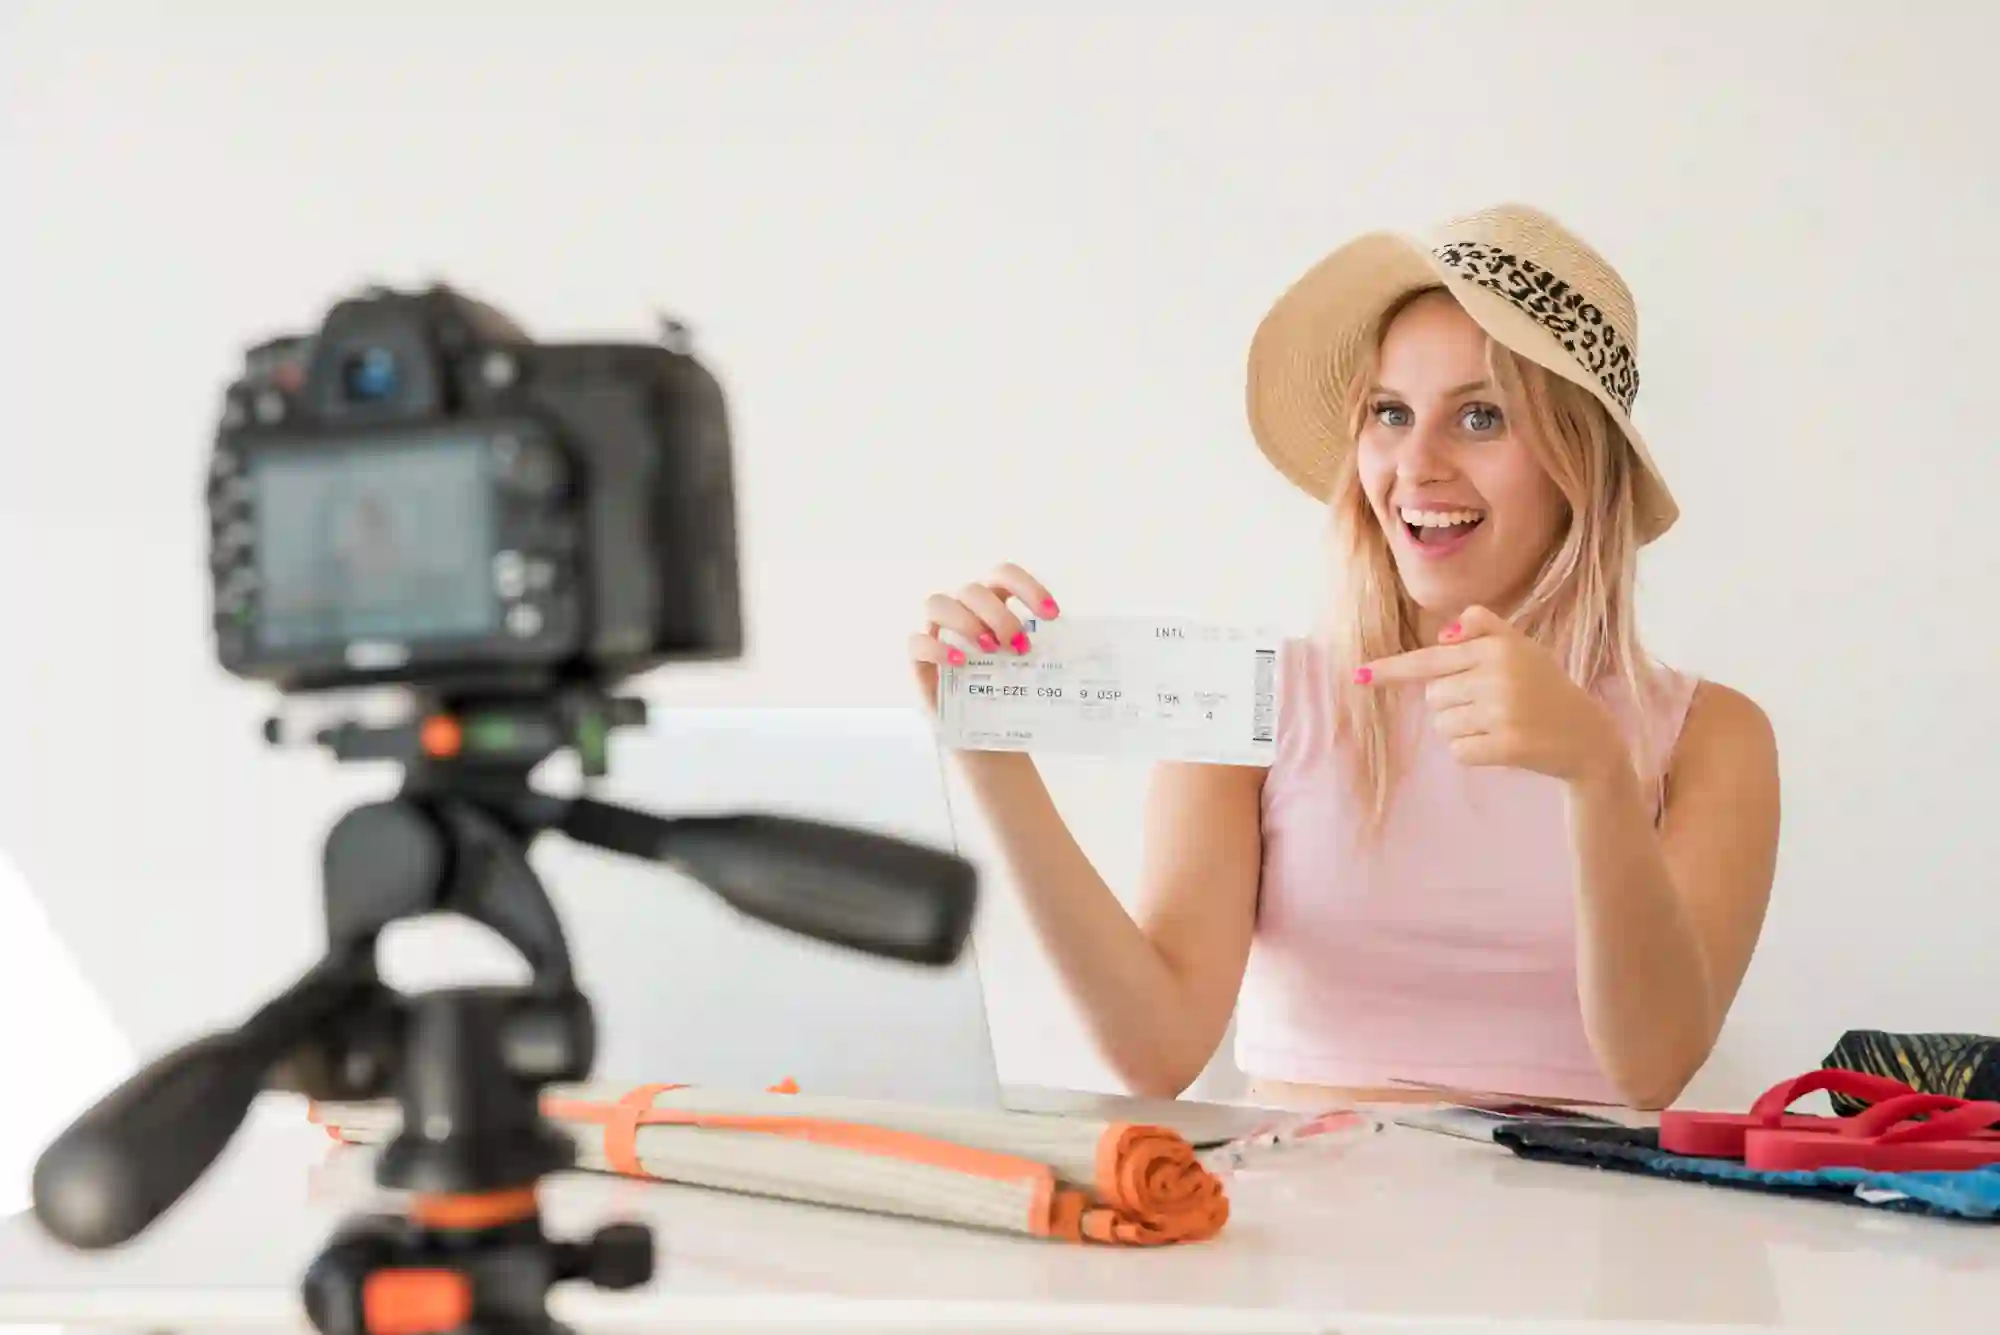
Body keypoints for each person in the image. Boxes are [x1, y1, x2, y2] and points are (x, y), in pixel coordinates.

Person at [907, 203, 1780, 1111]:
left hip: (1588, 1234)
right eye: (1391, 412)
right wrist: (992, 754)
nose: (1418, 464)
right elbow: (1154, 1052)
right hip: (1292, 1224)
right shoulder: (1253, 700)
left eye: (1482, 417)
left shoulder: (1709, 737)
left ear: (1580, 462)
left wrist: (1596, 773)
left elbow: (1654, 1067)